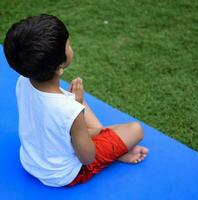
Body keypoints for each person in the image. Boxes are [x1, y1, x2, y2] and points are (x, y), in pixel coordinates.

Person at [3, 14, 149, 187]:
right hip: (64, 175)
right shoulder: (69, 110)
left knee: (97, 130)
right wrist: (78, 105)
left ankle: (116, 151)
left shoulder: (23, 81)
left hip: (31, 161)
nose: (71, 46)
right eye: (68, 45)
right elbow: (88, 157)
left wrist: (75, 105)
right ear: (59, 67)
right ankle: (116, 155)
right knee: (135, 129)